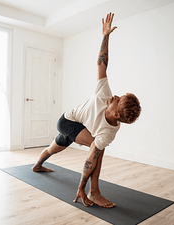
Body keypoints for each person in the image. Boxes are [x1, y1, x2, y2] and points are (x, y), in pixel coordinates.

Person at [32, 12, 141, 208]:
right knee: (97, 148)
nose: (115, 96)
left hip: (80, 128)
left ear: (117, 115)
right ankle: (95, 191)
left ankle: (38, 165)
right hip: (67, 121)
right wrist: (106, 36)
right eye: (119, 96)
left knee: (56, 147)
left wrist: (80, 184)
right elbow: (102, 63)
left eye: (118, 100)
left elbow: (91, 159)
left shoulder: (108, 132)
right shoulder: (104, 92)